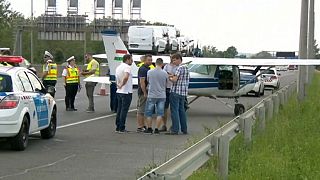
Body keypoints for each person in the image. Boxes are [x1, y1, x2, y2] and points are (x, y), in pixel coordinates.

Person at [167, 53, 190, 135]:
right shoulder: (186, 68)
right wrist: (173, 76)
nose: (173, 62)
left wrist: (169, 77)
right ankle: (184, 129)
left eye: (174, 60)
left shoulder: (179, 68)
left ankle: (175, 129)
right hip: (183, 93)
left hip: (175, 91)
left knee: (174, 111)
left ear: (178, 59)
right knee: (182, 110)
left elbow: (174, 80)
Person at [144, 58, 168, 134]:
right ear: (162, 64)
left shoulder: (149, 72)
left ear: (155, 63)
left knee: (149, 113)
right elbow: (166, 83)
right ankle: (157, 129)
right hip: (161, 95)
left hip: (151, 94)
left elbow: (148, 81)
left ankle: (149, 128)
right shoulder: (165, 73)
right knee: (160, 113)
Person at [115, 54, 133, 133]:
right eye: (131, 59)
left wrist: (119, 85)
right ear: (128, 59)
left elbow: (117, 78)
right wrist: (122, 84)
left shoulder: (118, 67)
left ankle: (118, 126)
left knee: (119, 109)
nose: (132, 61)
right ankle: (122, 127)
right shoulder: (127, 67)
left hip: (119, 91)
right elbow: (126, 77)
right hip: (126, 91)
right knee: (124, 110)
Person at [136, 54, 153, 132]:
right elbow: (142, 82)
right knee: (141, 110)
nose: (150, 61)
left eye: (151, 60)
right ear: (144, 60)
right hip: (143, 92)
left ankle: (143, 125)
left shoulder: (148, 68)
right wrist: (145, 93)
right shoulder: (142, 69)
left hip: (147, 91)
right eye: (148, 60)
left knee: (144, 110)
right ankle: (140, 126)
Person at [161, 57, 177, 132]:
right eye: (172, 58)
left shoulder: (179, 67)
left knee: (174, 109)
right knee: (165, 108)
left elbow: (176, 77)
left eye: (174, 58)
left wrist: (170, 75)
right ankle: (164, 125)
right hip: (166, 88)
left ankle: (174, 126)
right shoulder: (166, 66)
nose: (172, 60)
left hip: (175, 89)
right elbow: (164, 75)